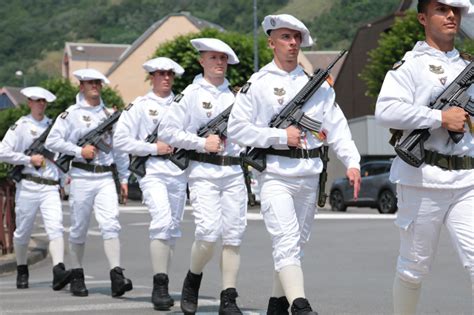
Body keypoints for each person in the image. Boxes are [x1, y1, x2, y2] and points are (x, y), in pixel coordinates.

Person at [228, 14, 361, 315]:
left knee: (295, 245)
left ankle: (277, 304)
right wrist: (279, 135)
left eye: (296, 38)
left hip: (309, 174)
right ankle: (300, 307)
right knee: (286, 240)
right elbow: (236, 129)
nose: (292, 43)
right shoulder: (259, 83)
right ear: (271, 42)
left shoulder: (317, 87)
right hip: (275, 174)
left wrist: (352, 162)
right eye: (285, 37)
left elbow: (337, 127)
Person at [375, 1, 474, 314]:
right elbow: (385, 110)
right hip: (423, 179)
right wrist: (440, 118)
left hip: (467, 180)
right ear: (422, 17)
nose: (450, 15)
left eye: (455, 10)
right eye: (441, 9)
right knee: (414, 267)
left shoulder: (467, 65)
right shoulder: (410, 66)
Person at [159, 38, 247, 315]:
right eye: (213, 58)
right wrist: (200, 143)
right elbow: (167, 132)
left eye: (223, 58)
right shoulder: (190, 94)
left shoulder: (238, 98)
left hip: (233, 170)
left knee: (233, 236)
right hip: (204, 172)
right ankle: (192, 279)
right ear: (201, 61)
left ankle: (228, 296)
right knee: (208, 234)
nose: (219, 63)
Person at [45, 69, 132, 298]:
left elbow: (120, 148)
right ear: (81, 86)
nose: (94, 85)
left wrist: (123, 177)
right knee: (79, 227)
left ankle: (116, 274)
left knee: (111, 223)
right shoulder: (70, 114)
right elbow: (52, 141)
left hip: (104, 176)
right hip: (82, 175)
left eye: (98, 82)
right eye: (89, 82)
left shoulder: (109, 113)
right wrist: (78, 151)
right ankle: (77, 275)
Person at [113, 57, 187, 311]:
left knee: (173, 230)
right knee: (162, 221)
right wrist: (153, 148)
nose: (165, 78)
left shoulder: (183, 104)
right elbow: (121, 140)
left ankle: (164, 280)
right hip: (153, 171)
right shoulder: (140, 106)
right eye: (160, 74)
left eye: (169, 74)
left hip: (178, 172)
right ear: (151, 77)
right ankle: (160, 283)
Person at [0, 87, 71, 291]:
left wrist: (64, 179)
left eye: (43, 101)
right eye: (36, 100)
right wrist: (28, 159)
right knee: (22, 231)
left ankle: (59, 270)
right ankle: (22, 268)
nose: (40, 104)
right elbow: (3, 151)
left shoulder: (54, 127)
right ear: (29, 102)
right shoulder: (21, 126)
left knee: (55, 227)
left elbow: (61, 156)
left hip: (49, 187)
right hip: (29, 185)